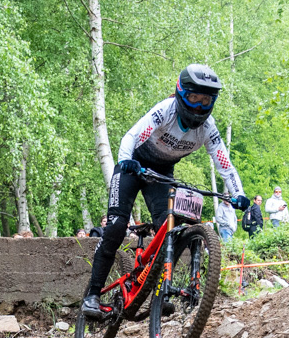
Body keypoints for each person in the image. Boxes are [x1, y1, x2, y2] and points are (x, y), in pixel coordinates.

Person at [80, 64, 249, 318]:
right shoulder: (165, 111)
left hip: (161, 174)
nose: (200, 106)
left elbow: (225, 165)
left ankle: (161, 290)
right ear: (182, 94)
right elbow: (131, 136)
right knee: (115, 227)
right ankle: (92, 295)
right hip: (132, 166)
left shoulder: (208, 128)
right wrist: (126, 159)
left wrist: (238, 193)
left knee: (169, 229)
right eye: (194, 98)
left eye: (206, 100)